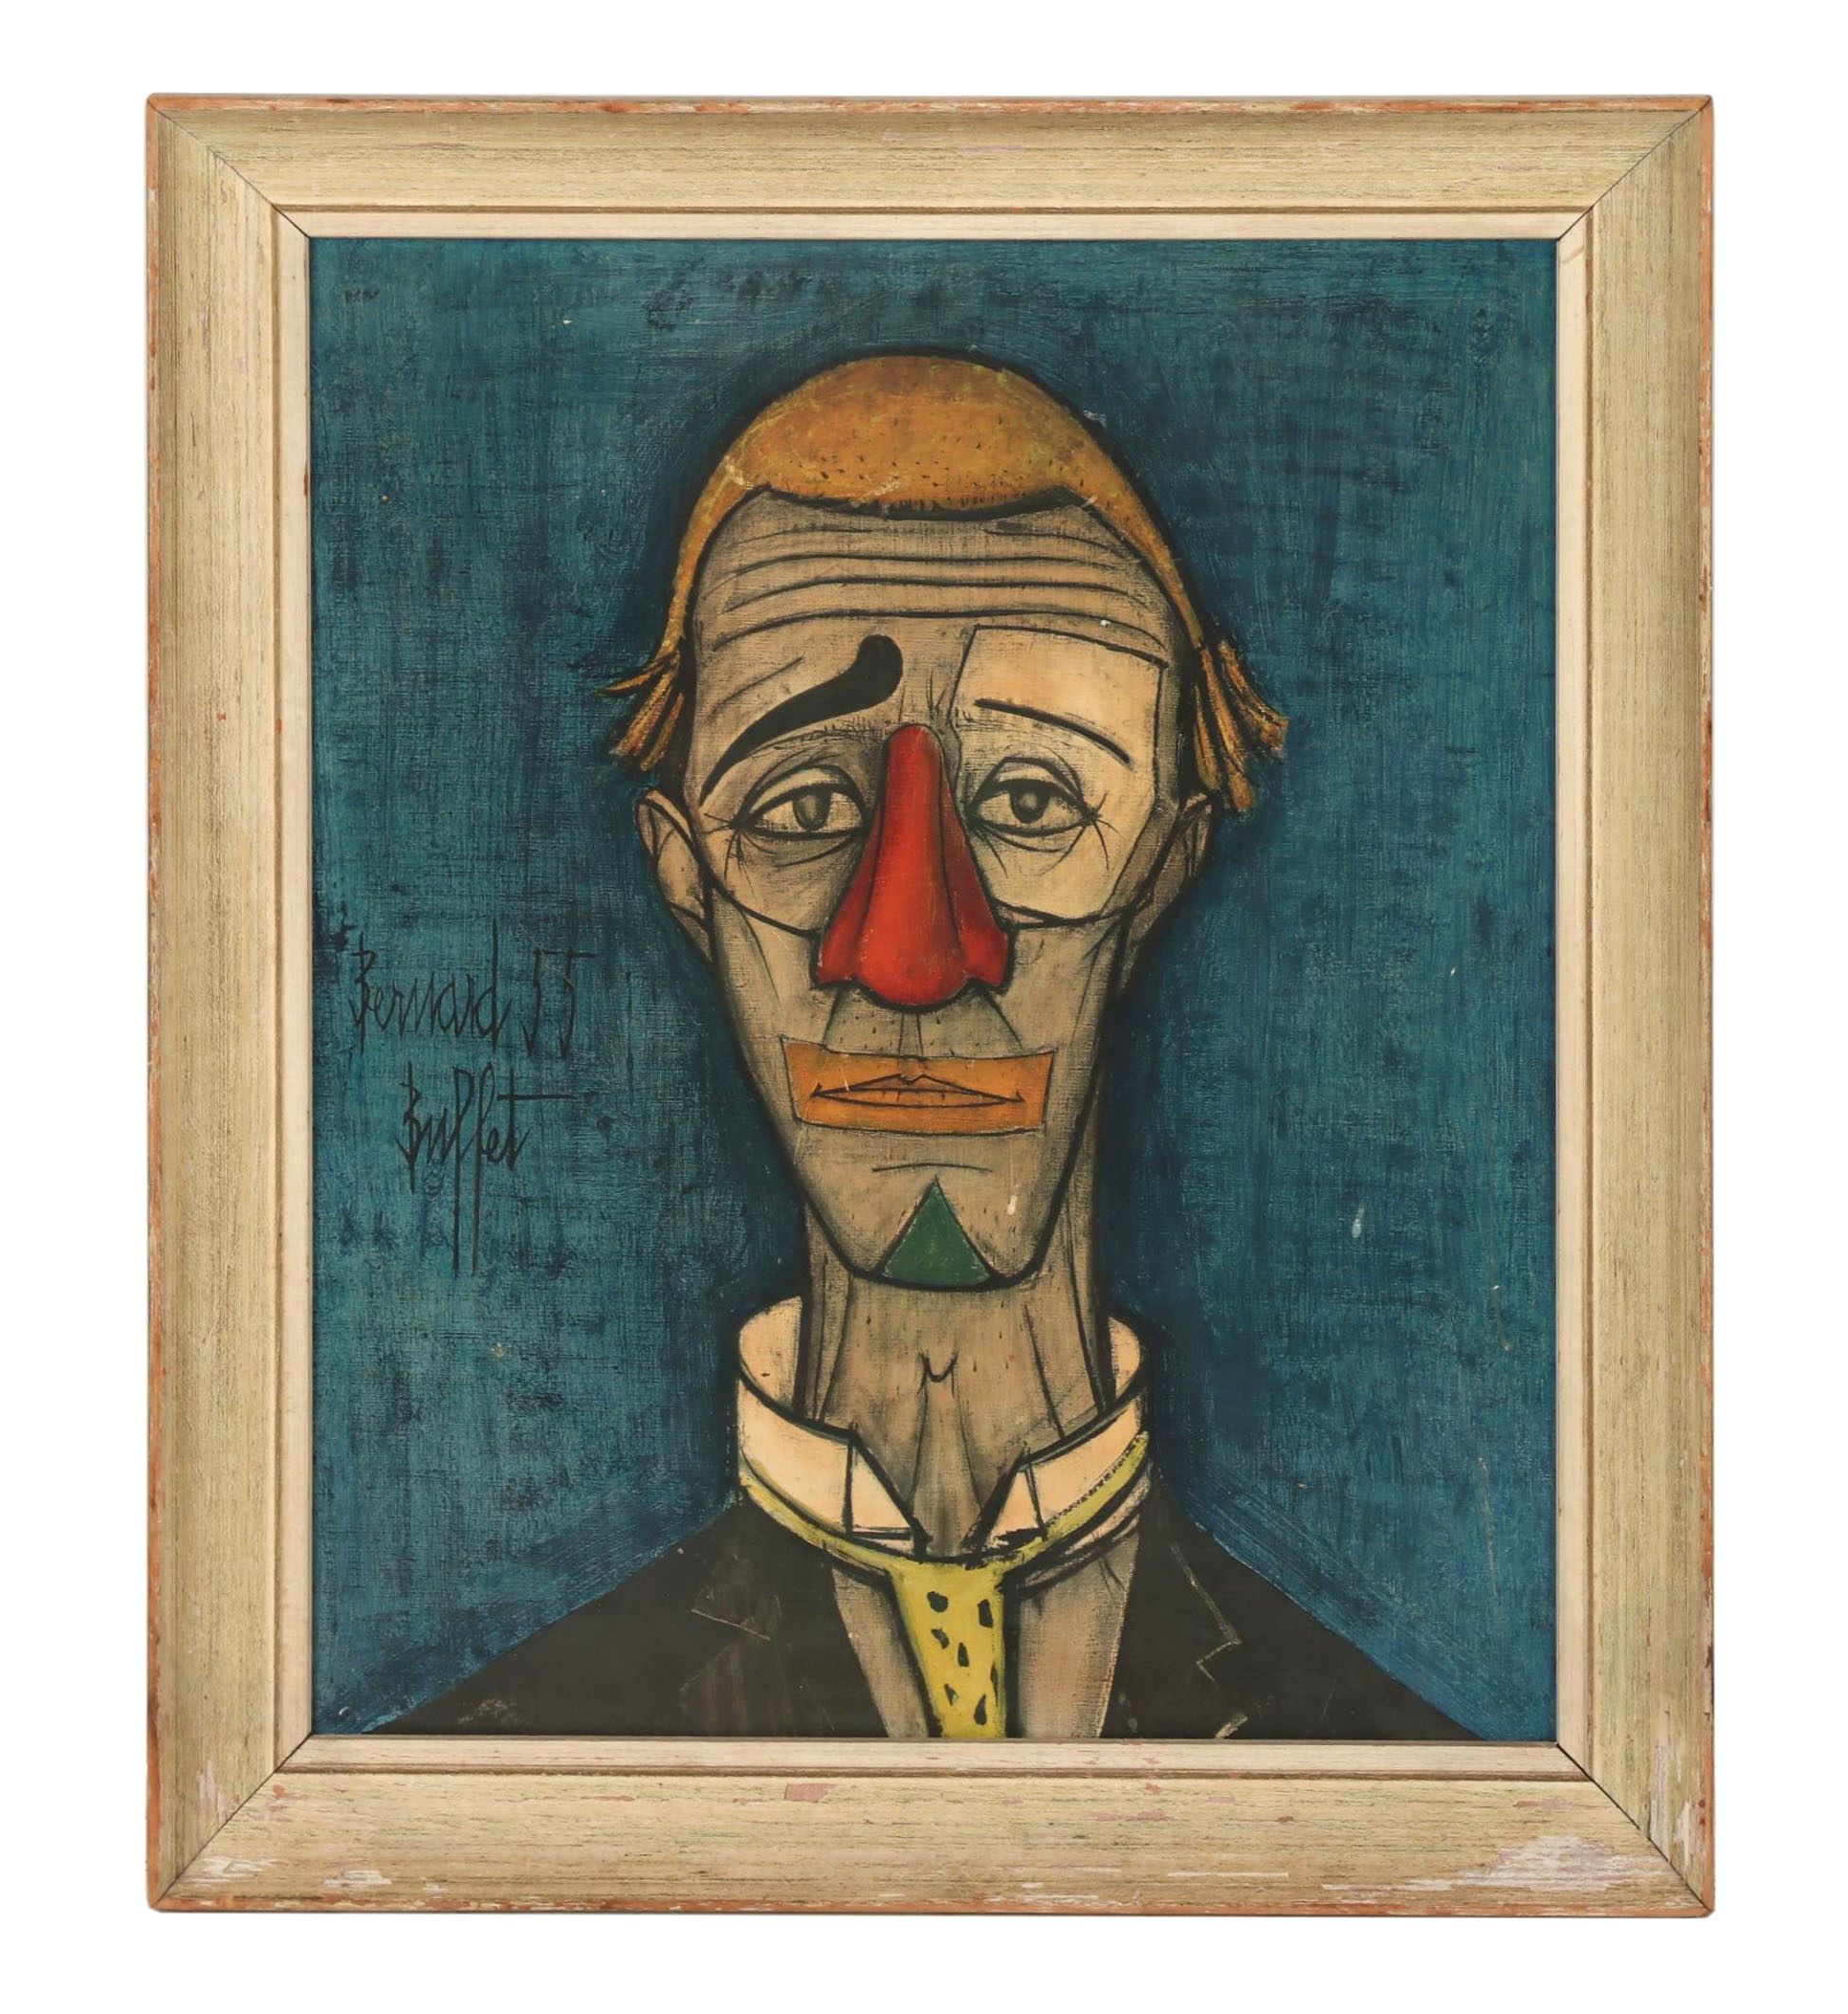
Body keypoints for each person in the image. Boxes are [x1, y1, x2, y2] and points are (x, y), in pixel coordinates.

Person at [393, 353, 1470, 1741]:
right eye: (799, 810)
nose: (911, 957)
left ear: (1161, 874)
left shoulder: (1393, 1770)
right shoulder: (502, 1760)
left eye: (1031, 802)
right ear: (684, 880)